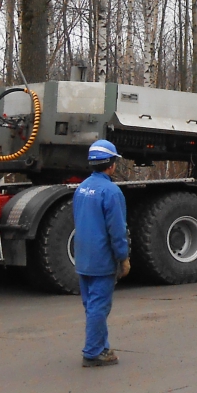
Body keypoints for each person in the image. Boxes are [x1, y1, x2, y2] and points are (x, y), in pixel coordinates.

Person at [72, 139, 130, 367]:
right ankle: (93, 352)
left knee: (92, 305)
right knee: (99, 306)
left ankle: (101, 346)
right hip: (101, 258)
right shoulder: (111, 192)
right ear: (111, 164)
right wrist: (123, 257)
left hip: (84, 256)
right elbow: (117, 230)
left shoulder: (82, 188)